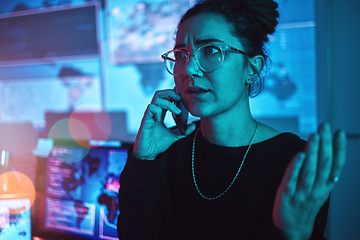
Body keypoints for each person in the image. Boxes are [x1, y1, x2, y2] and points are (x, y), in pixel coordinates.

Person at [117, 0, 347, 239]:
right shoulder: (167, 151)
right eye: (181, 54)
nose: (189, 69)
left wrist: (295, 233)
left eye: (210, 51)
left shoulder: (294, 159)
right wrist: (143, 160)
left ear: (252, 69)